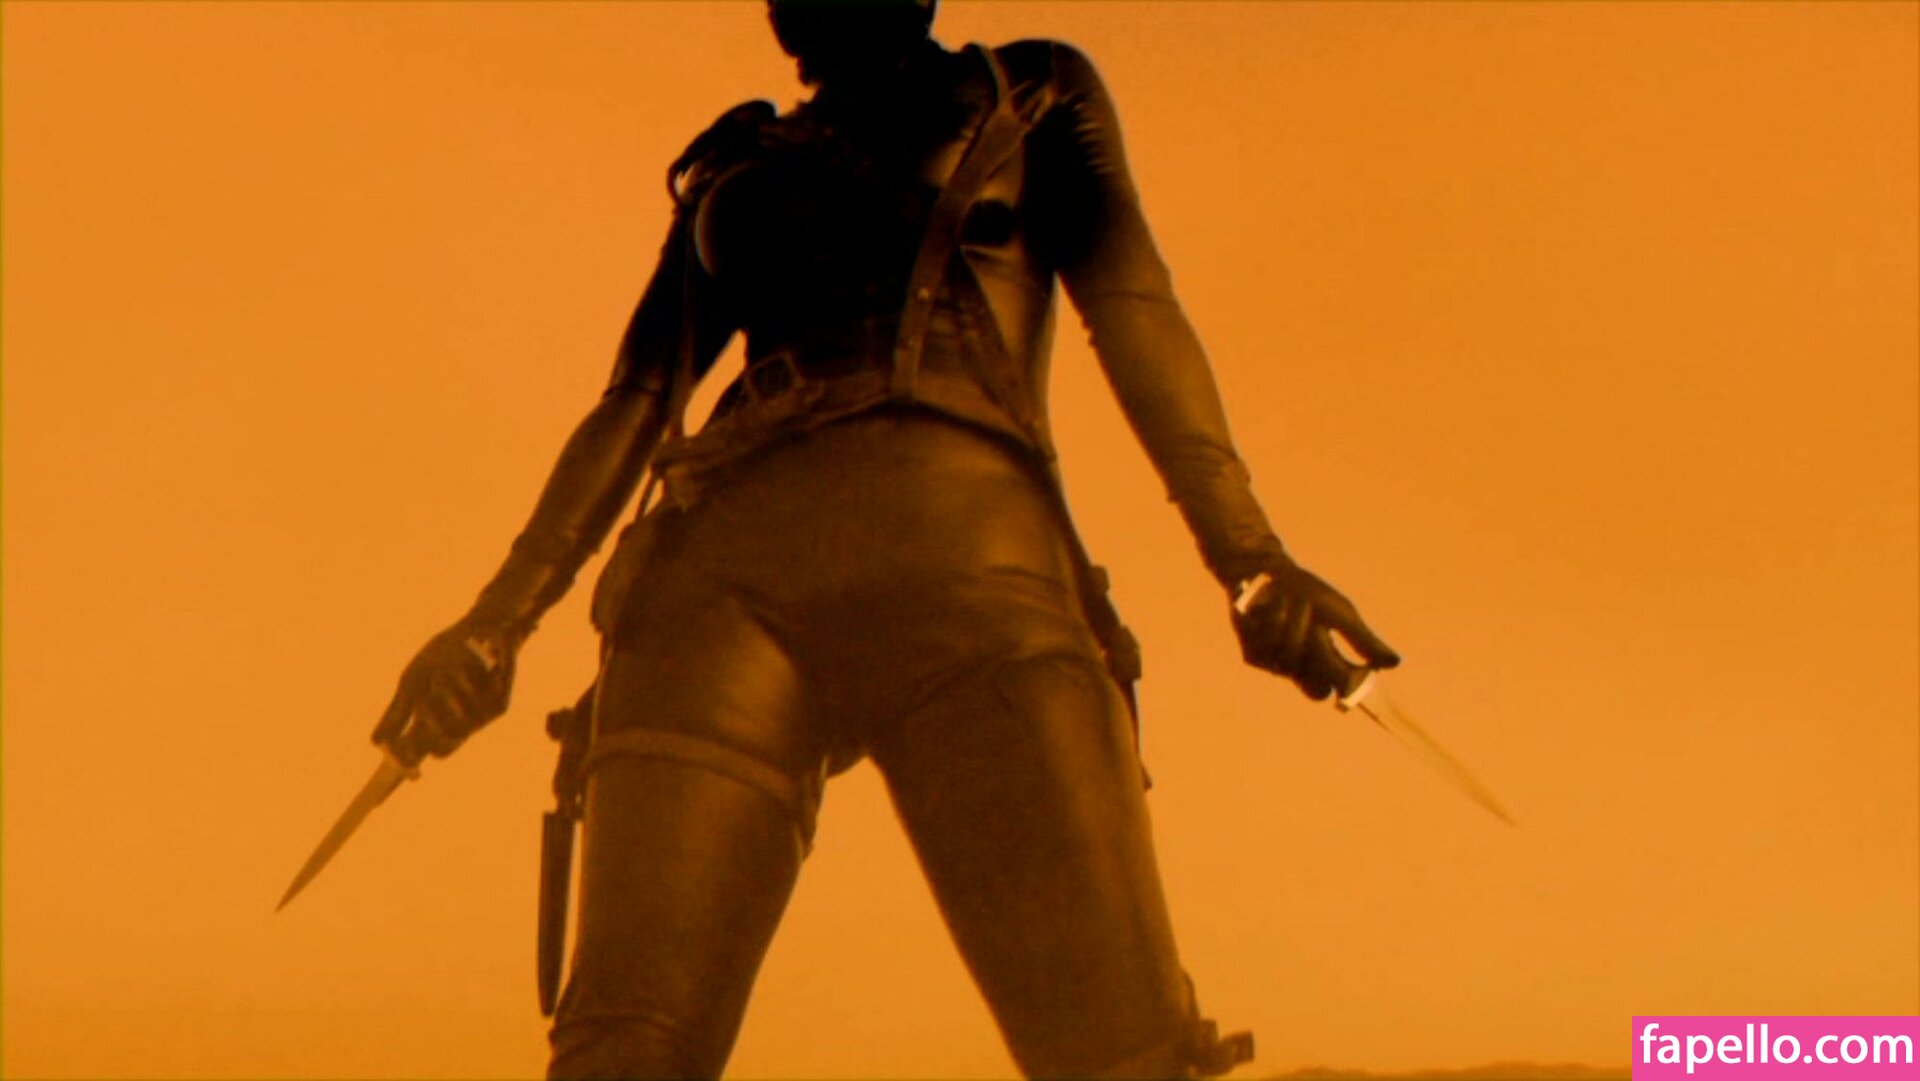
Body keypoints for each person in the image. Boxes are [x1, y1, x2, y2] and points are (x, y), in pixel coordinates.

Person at [372, 1, 1400, 1077]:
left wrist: (1250, 559)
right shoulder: (740, 159)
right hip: (743, 580)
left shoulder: (1028, 91)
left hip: (938, 555)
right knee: (625, 1056)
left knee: (1122, 1055)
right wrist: (491, 625)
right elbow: (636, 397)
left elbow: (1135, 309)